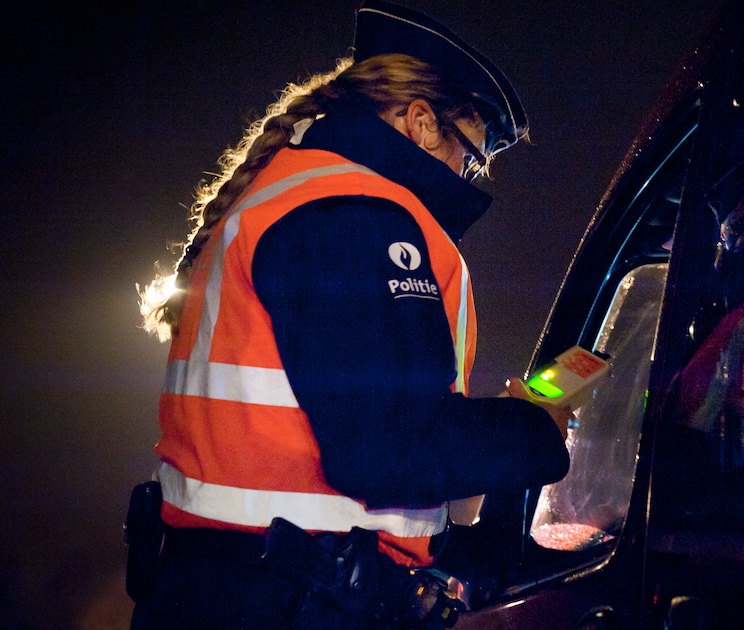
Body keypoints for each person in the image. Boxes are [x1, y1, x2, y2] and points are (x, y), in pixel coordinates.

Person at [130, 2, 570, 627]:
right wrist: (535, 429)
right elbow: (387, 445)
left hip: (239, 588)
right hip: (288, 602)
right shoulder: (353, 214)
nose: (470, 179)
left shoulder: (298, 194)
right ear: (420, 123)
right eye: (471, 158)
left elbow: (347, 454)